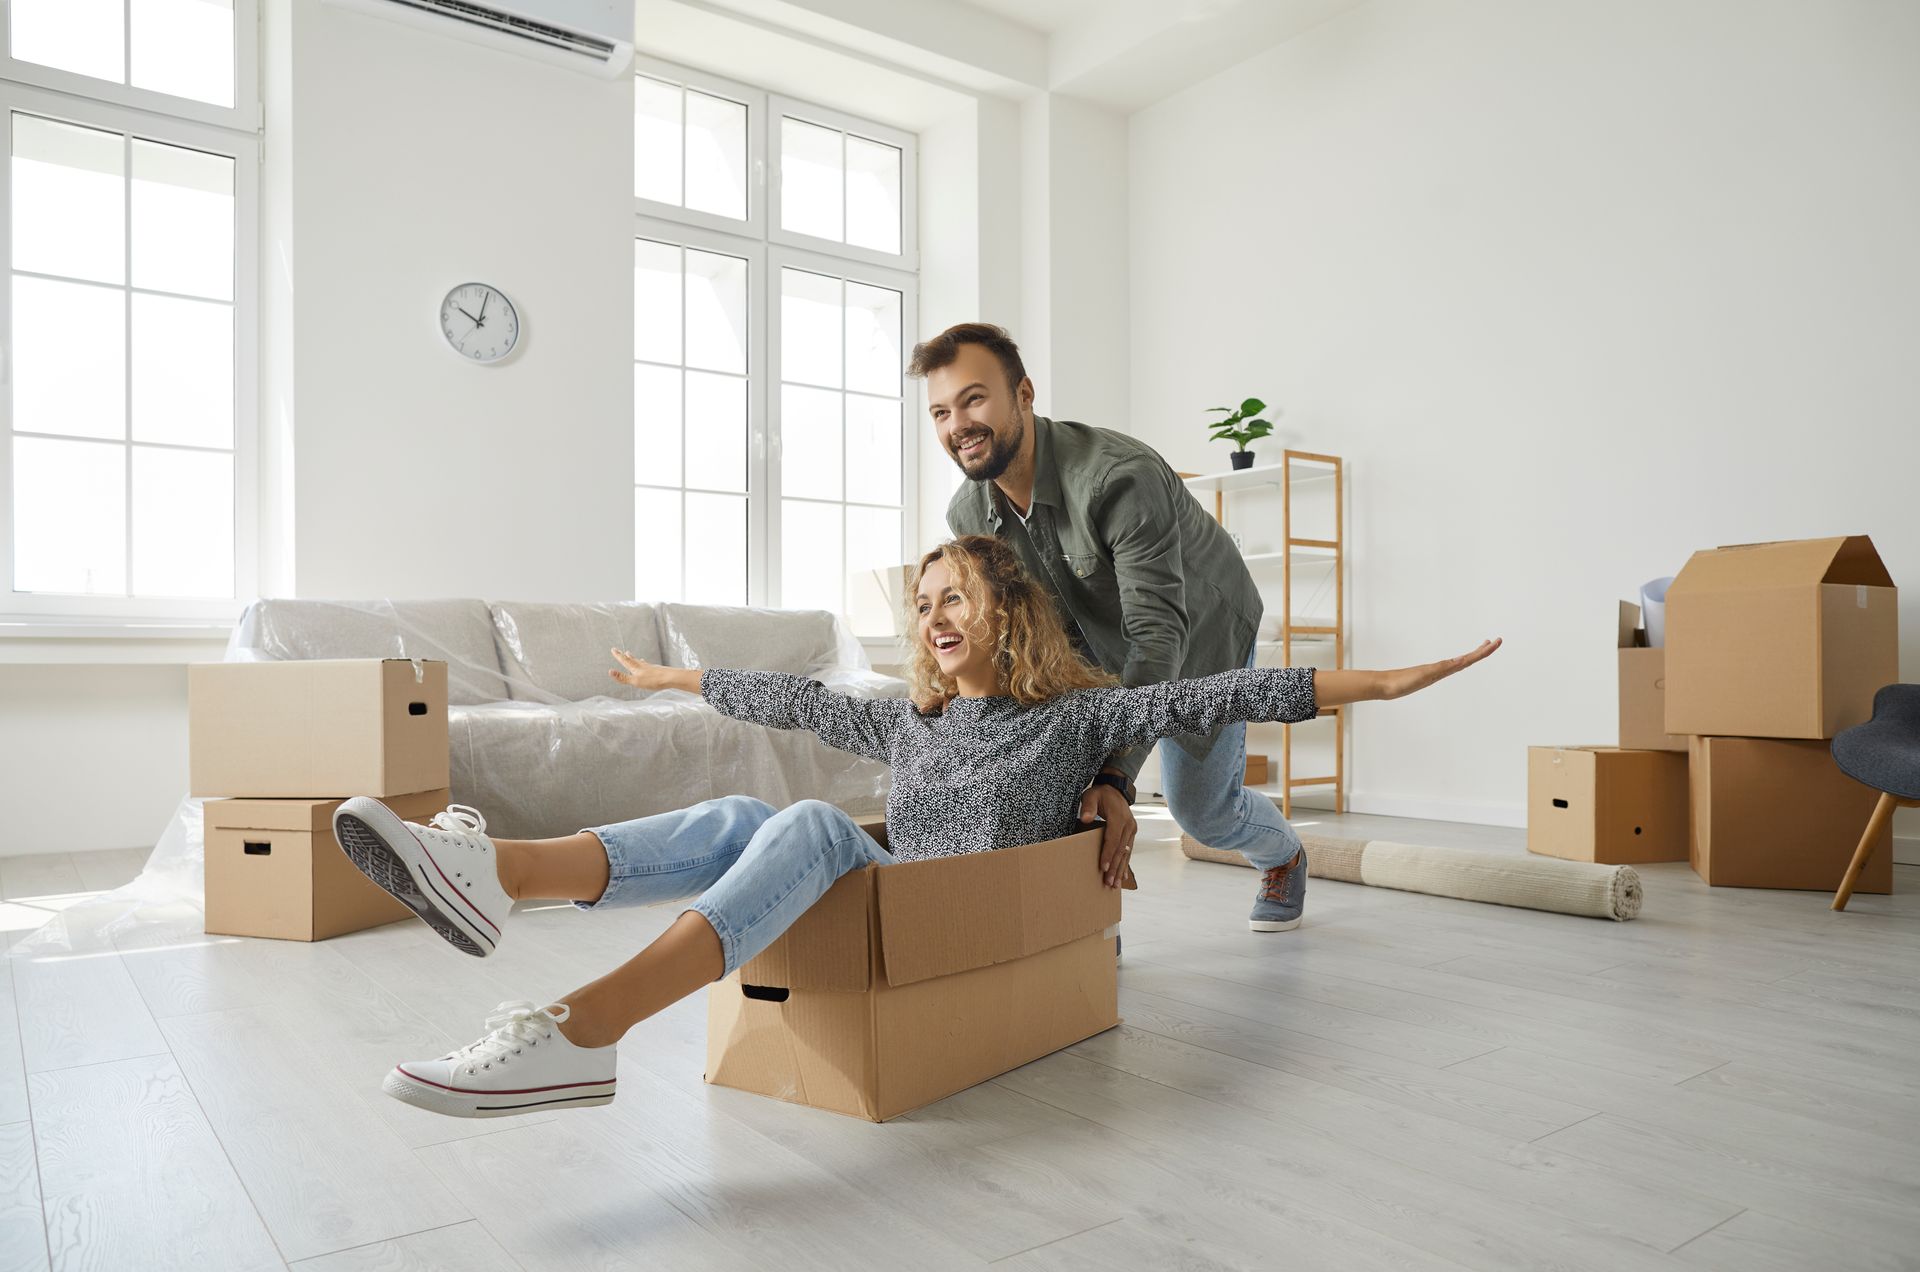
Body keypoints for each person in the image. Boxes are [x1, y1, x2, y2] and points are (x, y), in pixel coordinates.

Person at [332, 535, 1500, 1119]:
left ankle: (585, 1028)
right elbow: (795, 700)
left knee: (809, 823)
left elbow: (1232, 690)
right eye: (925, 601)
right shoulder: (913, 720)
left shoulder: (1082, 716)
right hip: (890, 904)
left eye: (957, 597)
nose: (935, 614)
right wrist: (672, 677)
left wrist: (1394, 682)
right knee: (749, 812)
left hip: (953, 922)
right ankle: (492, 872)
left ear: (1010, 612)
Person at [918, 322, 1326, 932]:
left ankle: (1284, 856)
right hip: (1093, 647)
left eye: (974, 399)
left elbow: (1158, 634)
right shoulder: (968, 511)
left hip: (1201, 632)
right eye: (940, 412)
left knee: (1202, 813)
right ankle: (1085, 931)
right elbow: (1010, 628)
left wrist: (1116, 774)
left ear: (1023, 394)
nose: (958, 425)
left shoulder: (1120, 477)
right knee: (1054, 788)